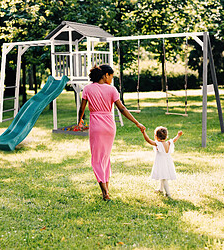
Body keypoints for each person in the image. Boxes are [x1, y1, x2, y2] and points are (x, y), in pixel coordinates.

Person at [78, 65, 145, 201]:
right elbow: (122, 108)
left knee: (97, 159)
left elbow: (82, 109)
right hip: (109, 126)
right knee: (105, 158)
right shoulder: (112, 89)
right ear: (106, 75)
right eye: (111, 76)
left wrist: (79, 121)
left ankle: (105, 192)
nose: (111, 79)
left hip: (96, 126)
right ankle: (106, 189)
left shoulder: (87, 89)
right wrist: (136, 122)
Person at [141, 126, 183, 198]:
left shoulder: (158, 144)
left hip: (161, 163)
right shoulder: (169, 143)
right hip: (168, 162)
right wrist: (178, 135)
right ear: (166, 136)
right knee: (162, 175)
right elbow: (174, 139)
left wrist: (143, 132)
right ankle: (160, 189)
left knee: (164, 178)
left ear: (156, 136)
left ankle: (168, 194)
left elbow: (148, 140)